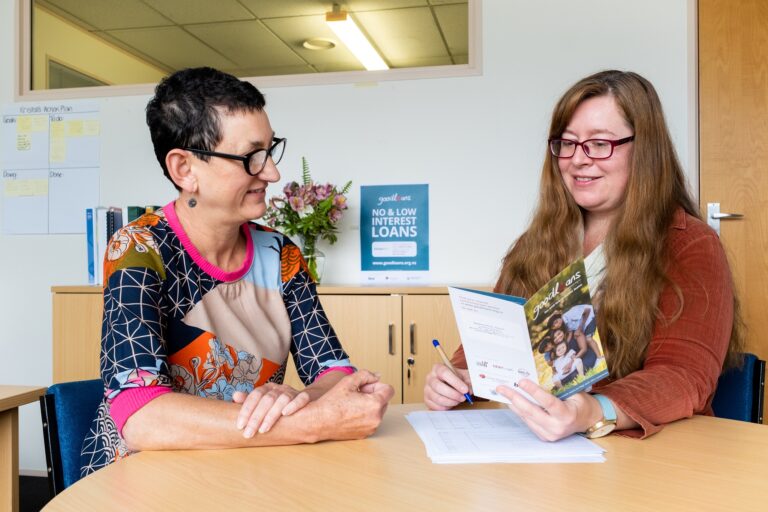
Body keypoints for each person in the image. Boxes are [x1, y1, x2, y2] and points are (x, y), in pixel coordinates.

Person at [80, 67, 394, 477]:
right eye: (251, 157)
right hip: (143, 479)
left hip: (243, 469)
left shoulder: (280, 254)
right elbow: (142, 416)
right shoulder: (139, 249)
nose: (272, 173)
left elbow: (332, 371)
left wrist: (301, 400)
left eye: (270, 149)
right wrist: (308, 421)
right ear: (184, 170)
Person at [424, 70, 743, 441]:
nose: (578, 159)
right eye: (568, 143)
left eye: (600, 143)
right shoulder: (535, 242)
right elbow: (490, 346)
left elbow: (682, 376)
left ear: (646, 151)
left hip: (646, 457)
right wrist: (458, 378)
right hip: (535, 449)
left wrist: (592, 411)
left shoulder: (690, 244)